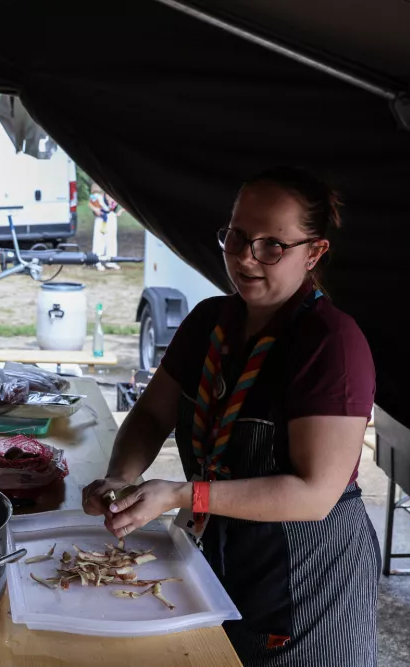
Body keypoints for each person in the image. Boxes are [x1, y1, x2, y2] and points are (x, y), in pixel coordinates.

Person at [82, 166, 379, 666]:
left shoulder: (330, 344)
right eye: (237, 235)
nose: (245, 256)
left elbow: (314, 493)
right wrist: (123, 475)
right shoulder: (208, 323)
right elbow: (152, 415)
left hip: (307, 575)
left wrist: (182, 493)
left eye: (271, 245)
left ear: (314, 251)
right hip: (216, 551)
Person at [88, 184, 121, 271]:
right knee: (99, 239)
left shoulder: (111, 194)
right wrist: (96, 210)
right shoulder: (97, 196)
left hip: (111, 217)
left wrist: (119, 211)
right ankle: (97, 260)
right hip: (101, 218)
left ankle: (111, 260)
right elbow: (91, 204)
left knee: (111, 239)